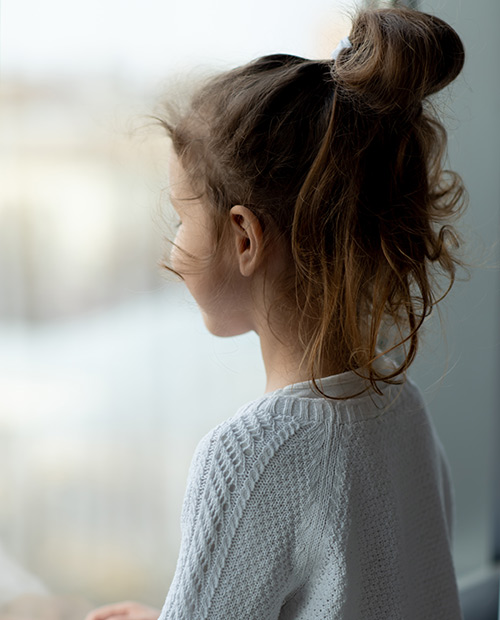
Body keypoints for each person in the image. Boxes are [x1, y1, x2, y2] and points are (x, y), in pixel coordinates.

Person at [86, 5, 466, 619]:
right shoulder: (404, 410)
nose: (172, 250)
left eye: (182, 219)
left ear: (244, 237)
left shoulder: (247, 458)